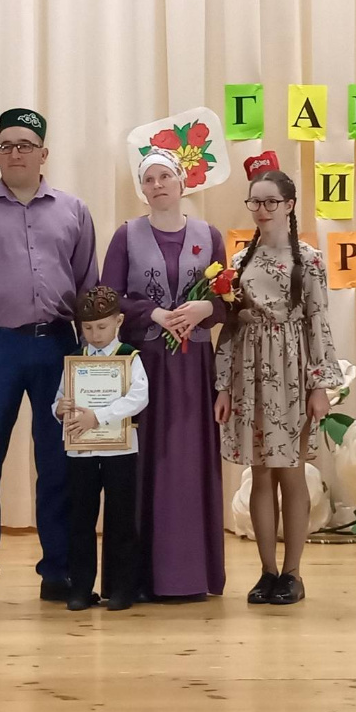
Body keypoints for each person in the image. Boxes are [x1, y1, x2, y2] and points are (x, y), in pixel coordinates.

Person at [0, 108, 98, 610]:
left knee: (58, 463)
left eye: (25, 145)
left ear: (43, 153)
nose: (15, 153)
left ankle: (58, 571)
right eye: (6, 145)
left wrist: (94, 365)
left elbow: (90, 291)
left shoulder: (74, 211)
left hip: (57, 346)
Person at [99, 149, 226, 600]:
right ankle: (143, 577)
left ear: (182, 182)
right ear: (142, 188)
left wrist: (206, 307)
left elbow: (227, 301)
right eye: (148, 179)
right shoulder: (126, 236)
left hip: (193, 367)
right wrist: (152, 311)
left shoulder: (209, 235)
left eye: (165, 177)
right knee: (145, 464)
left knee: (187, 465)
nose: (157, 185)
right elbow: (108, 296)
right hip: (145, 365)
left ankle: (190, 575)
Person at [214, 169, 343, 606]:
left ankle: (293, 573)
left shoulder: (309, 260)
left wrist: (319, 385)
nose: (262, 210)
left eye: (271, 202)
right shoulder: (238, 263)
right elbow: (229, 327)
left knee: (291, 471)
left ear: (289, 205)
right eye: (255, 202)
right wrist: (223, 386)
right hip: (249, 374)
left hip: (292, 373)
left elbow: (318, 323)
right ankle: (267, 571)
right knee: (260, 473)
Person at [54, 287, 149, 612]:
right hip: (81, 452)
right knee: (80, 520)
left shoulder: (129, 357)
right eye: (88, 327)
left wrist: (99, 416)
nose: (95, 334)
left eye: (102, 326)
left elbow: (139, 397)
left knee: (121, 519)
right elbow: (60, 398)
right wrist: (59, 409)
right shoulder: (75, 361)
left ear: (118, 321)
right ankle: (80, 589)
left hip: (120, 450)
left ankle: (122, 589)